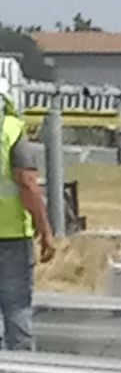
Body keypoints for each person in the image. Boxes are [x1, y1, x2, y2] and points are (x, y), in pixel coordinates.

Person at [0, 84, 56, 353]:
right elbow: (27, 185)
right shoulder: (11, 130)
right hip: (9, 236)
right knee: (16, 308)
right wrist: (45, 229)